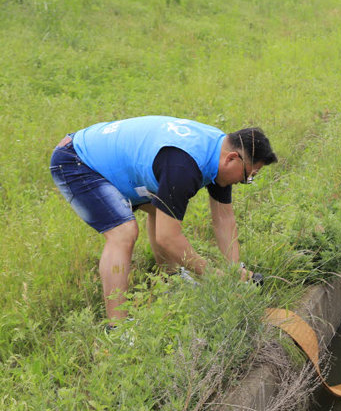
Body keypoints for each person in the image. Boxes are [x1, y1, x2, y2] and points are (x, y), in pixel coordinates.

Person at [50, 116, 278, 322]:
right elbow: (168, 238)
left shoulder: (217, 151)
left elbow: (224, 219)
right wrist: (214, 277)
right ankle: (117, 329)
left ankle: (167, 279)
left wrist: (234, 269)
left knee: (157, 208)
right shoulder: (185, 166)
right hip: (76, 160)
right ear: (232, 159)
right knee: (123, 232)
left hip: (107, 156)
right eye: (249, 176)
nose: (244, 182)